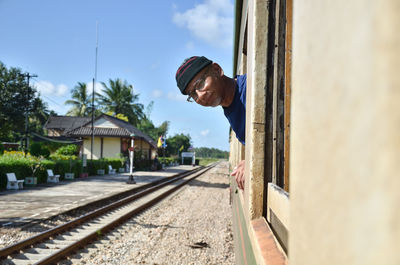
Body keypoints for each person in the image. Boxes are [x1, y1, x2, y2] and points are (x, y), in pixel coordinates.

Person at [175, 56, 246, 190]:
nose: (199, 96)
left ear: (217, 70)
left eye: (200, 84)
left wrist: (250, 161)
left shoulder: (250, 89)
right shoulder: (230, 109)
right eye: (193, 95)